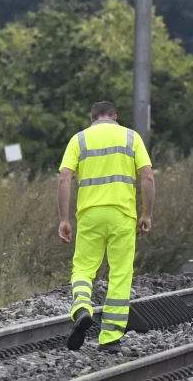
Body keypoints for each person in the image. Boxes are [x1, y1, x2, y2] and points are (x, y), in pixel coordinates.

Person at [58, 101, 154, 351]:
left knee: (83, 269)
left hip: (89, 215)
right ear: (115, 117)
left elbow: (65, 178)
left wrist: (64, 219)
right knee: (120, 274)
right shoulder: (131, 137)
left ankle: (81, 308)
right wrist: (147, 214)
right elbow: (147, 176)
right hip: (122, 215)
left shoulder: (79, 140)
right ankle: (110, 338)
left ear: (92, 118)